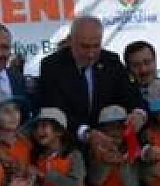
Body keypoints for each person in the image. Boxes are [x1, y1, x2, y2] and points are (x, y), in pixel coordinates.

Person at [36, 16, 142, 145]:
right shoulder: (51, 66)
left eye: (96, 46)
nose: (91, 54)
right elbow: (55, 111)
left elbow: (131, 95)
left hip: (110, 140)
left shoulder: (111, 61)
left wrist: (138, 113)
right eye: (85, 46)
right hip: (70, 141)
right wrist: (85, 133)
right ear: (71, 41)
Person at [124, 40, 159, 111]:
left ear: (155, 62)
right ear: (128, 69)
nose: (143, 70)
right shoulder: (123, 98)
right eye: (136, 65)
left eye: (147, 62)